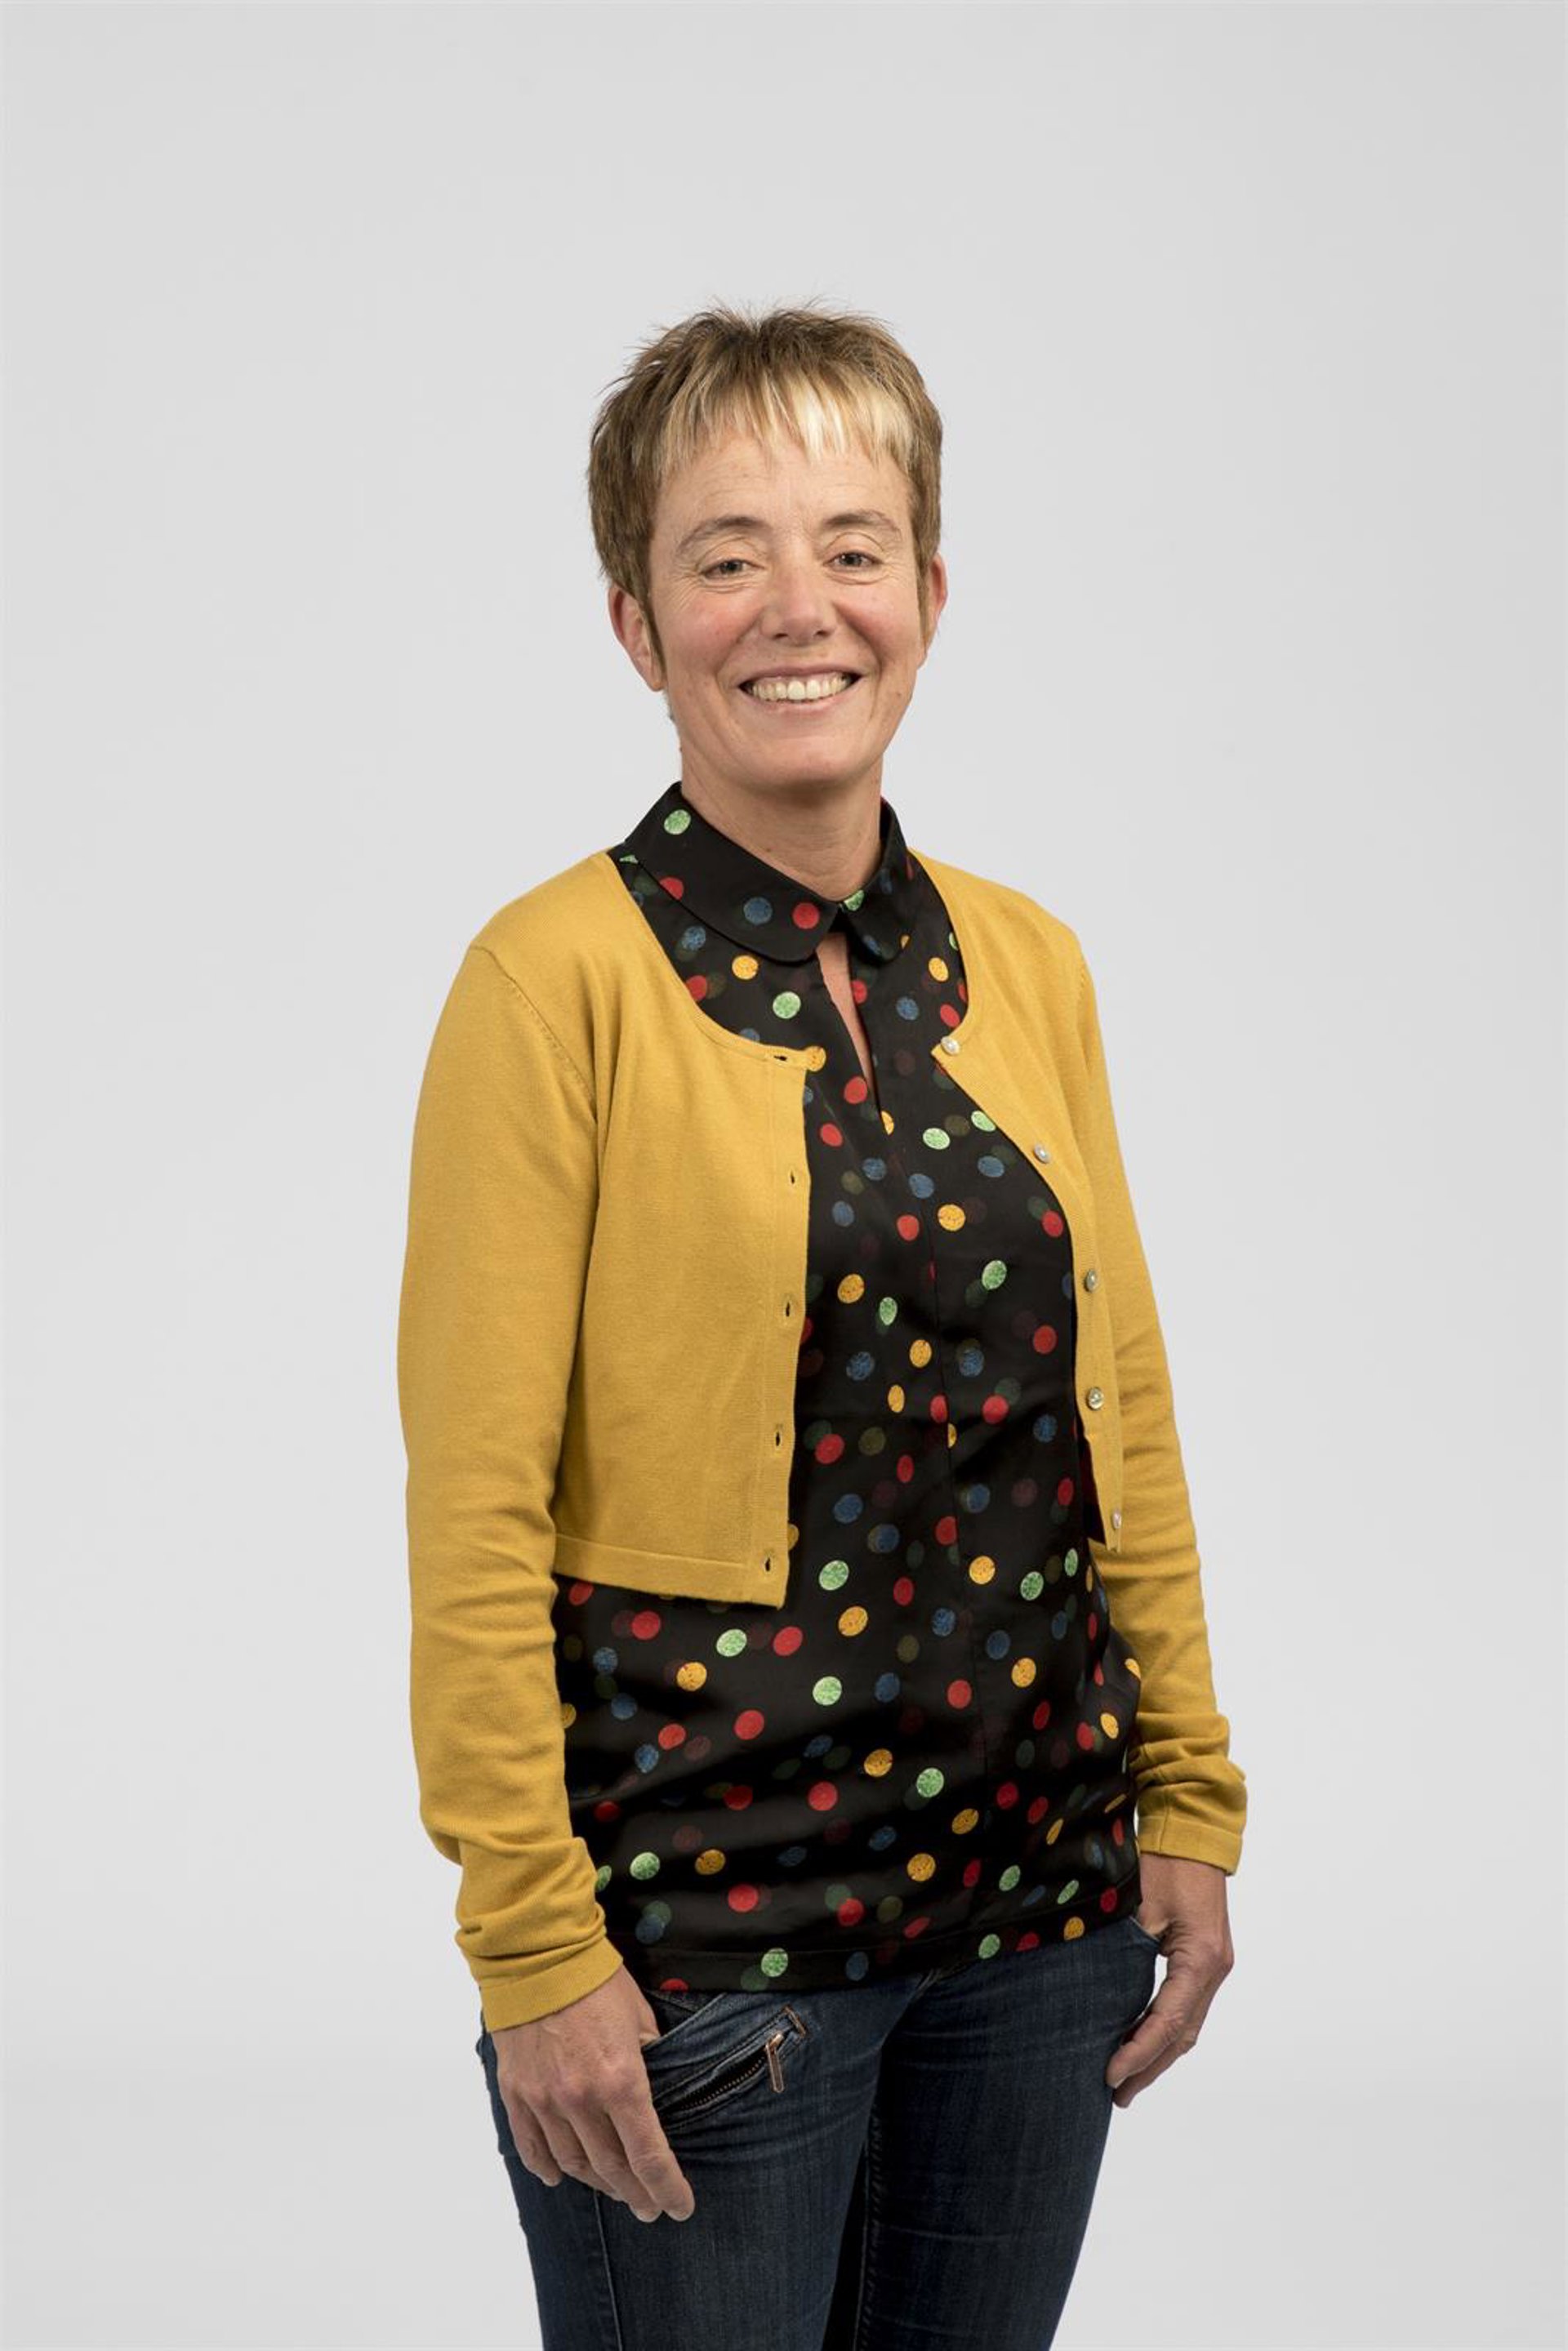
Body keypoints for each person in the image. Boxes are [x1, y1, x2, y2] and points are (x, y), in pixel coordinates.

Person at [397, 301, 1246, 2351]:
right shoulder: (550, 985)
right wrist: (533, 1949)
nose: (802, 606)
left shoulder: (1029, 965)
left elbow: (1119, 1408)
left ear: (930, 596)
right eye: (728, 555)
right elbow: (475, 1516)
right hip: (702, 1961)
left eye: (854, 547)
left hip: (1037, 1927)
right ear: (637, 623)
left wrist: (1189, 1796)